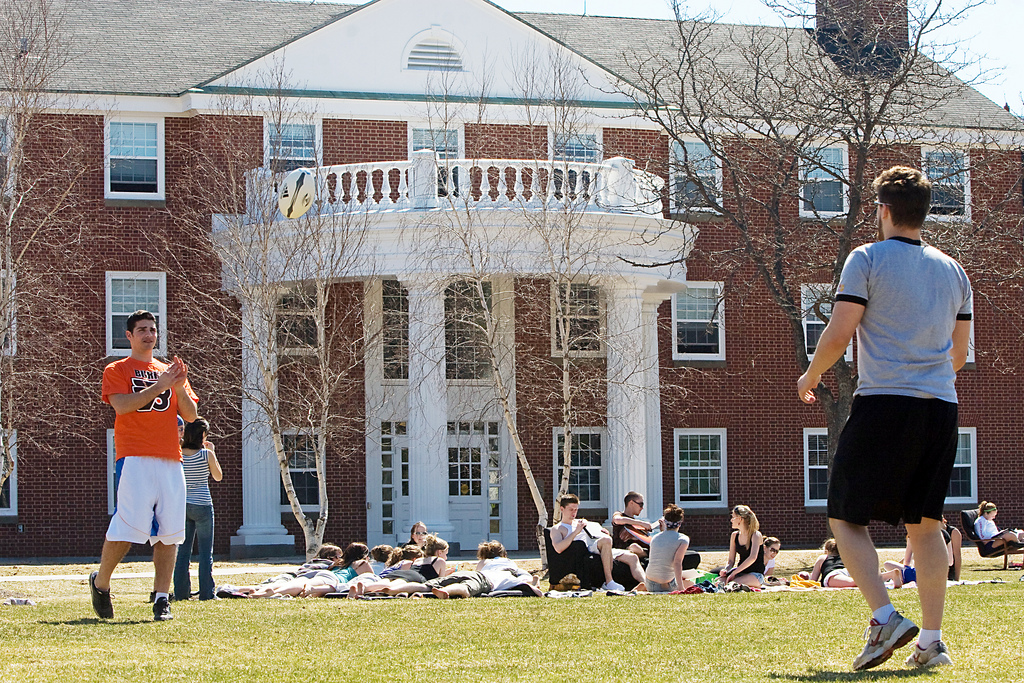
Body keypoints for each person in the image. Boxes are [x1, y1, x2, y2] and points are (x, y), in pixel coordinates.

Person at [797, 166, 972, 670]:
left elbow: (838, 331)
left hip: (884, 404)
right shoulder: (954, 270)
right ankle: (931, 642)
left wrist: (811, 376)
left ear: (884, 210)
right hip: (940, 408)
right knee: (926, 526)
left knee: (844, 516)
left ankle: (884, 616)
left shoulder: (866, 258)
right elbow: (959, 354)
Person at [91, 310, 199, 622]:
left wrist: (177, 386)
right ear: (129, 336)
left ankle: (162, 598)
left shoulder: (169, 370)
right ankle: (101, 583)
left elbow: (190, 415)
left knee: (170, 533)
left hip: (170, 459)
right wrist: (160, 385)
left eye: (152, 329)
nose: (149, 335)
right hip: (134, 457)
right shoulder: (117, 368)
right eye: (142, 330)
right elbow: (123, 406)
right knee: (127, 527)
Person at [172, 417, 223, 601]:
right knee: (205, 552)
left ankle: (181, 593)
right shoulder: (205, 454)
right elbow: (218, 477)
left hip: (182, 505)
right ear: (202, 435)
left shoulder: (178, 453)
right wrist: (212, 452)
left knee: (183, 552)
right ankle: (207, 593)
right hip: (202, 505)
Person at [549, 493, 643, 591]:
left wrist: (602, 531)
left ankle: (647, 585)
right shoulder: (557, 528)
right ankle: (609, 581)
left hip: (597, 545)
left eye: (576, 510)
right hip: (584, 550)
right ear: (562, 509)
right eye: (571, 509)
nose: (574, 513)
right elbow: (558, 548)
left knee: (632, 557)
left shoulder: (581, 522)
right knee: (606, 540)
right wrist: (576, 532)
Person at [805, 539, 905, 588]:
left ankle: (889, 575)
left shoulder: (823, 558)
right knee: (860, 580)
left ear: (827, 550)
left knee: (854, 583)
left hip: (833, 574)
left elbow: (813, 580)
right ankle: (888, 576)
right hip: (849, 571)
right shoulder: (846, 557)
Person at [645, 505, 693, 593]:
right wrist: (680, 587)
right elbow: (677, 563)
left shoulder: (655, 538)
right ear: (680, 523)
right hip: (666, 584)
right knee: (691, 584)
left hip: (649, 583)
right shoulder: (683, 539)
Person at [718, 505, 765, 588]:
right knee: (719, 583)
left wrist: (734, 573)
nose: (731, 520)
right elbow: (731, 561)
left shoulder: (755, 535)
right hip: (741, 572)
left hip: (755, 574)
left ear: (740, 519)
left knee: (731, 584)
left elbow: (752, 558)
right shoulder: (734, 535)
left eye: (733, 517)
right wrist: (726, 570)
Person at [611, 491, 653, 558]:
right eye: (640, 504)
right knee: (634, 547)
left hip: (641, 551)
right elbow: (617, 520)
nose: (642, 508)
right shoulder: (619, 514)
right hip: (622, 551)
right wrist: (641, 523)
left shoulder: (635, 523)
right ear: (631, 503)